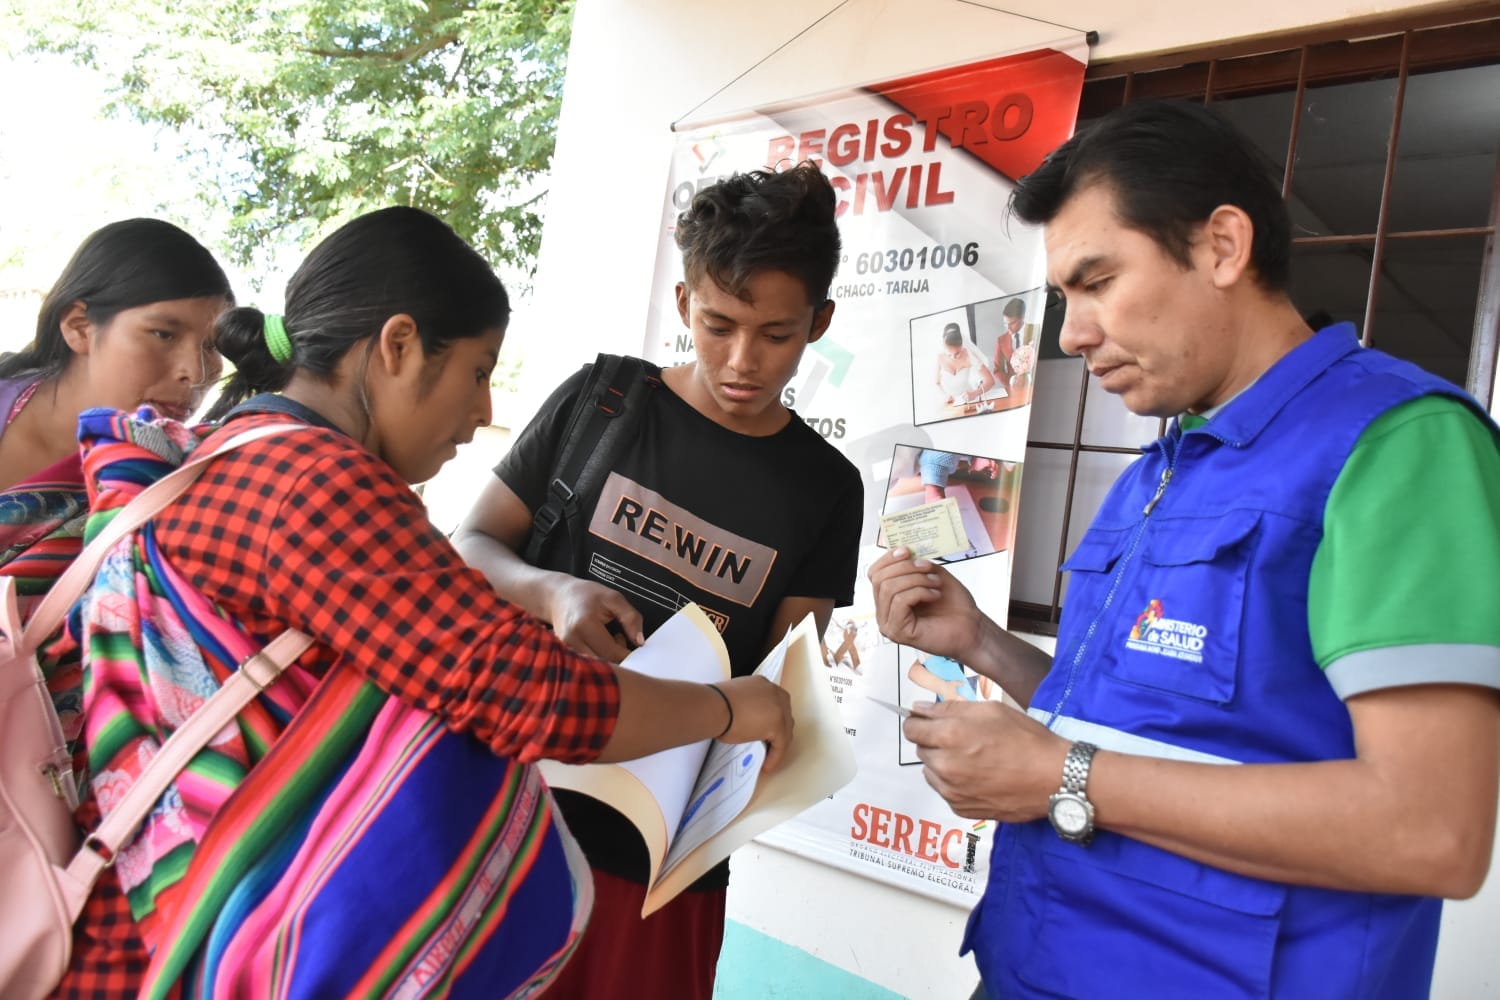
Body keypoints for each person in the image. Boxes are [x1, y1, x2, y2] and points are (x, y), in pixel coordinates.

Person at [55, 206, 794, 1000]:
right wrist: (729, 708)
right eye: (479, 371)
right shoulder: (317, 484)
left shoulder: (235, 449)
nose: (481, 415)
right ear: (399, 346)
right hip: (217, 948)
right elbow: (537, 697)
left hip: (161, 917)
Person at [870, 100, 1500, 999]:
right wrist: (980, 643)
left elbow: (1429, 829)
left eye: (1097, 281)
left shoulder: (1397, 447)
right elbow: (1147, 723)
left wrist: (1061, 776)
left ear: (1222, 247)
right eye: (1062, 300)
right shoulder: (1164, 465)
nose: (1073, 334)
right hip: (1037, 955)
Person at [454, 162, 863, 999]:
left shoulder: (825, 487)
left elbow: (787, 685)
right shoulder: (603, 403)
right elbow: (470, 547)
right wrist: (552, 592)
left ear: (818, 323)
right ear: (683, 305)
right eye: (717, 325)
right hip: (510, 818)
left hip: (660, 869)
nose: (743, 360)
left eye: (776, 334)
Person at [1, 219, 232, 769]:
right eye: (163, 334)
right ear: (80, 327)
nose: (192, 372)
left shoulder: (167, 485)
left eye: (211, 349)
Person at [935, 322, 996, 405]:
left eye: (957, 353)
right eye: (949, 354)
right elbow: (937, 383)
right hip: (948, 403)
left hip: (967, 401)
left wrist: (974, 393)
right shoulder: (940, 357)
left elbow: (990, 381)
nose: (953, 357)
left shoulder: (969, 356)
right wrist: (946, 395)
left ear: (961, 346)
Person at [991, 297, 1032, 388]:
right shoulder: (1001, 340)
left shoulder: (1036, 331)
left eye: (1012, 323)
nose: (1008, 328)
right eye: (1005, 323)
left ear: (1022, 318)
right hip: (1012, 389)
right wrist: (1011, 384)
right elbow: (997, 370)